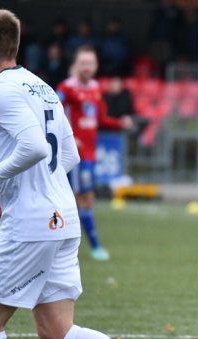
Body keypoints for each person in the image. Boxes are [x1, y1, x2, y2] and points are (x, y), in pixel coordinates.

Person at [0, 8, 173, 339]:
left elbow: (31, 147)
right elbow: (66, 156)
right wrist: (12, 188)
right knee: (55, 330)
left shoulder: (0, 91)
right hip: (62, 217)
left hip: (34, 222)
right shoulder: (42, 86)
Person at [57, 45, 134, 261]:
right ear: (76, 64)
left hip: (88, 155)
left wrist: (120, 122)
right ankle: (83, 246)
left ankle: (84, 246)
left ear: (96, 65)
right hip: (73, 155)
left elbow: (100, 118)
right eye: (83, 63)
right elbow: (50, 111)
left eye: (90, 63)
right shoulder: (67, 88)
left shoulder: (95, 89)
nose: (87, 67)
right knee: (73, 199)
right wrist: (68, 137)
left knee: (84, 198)